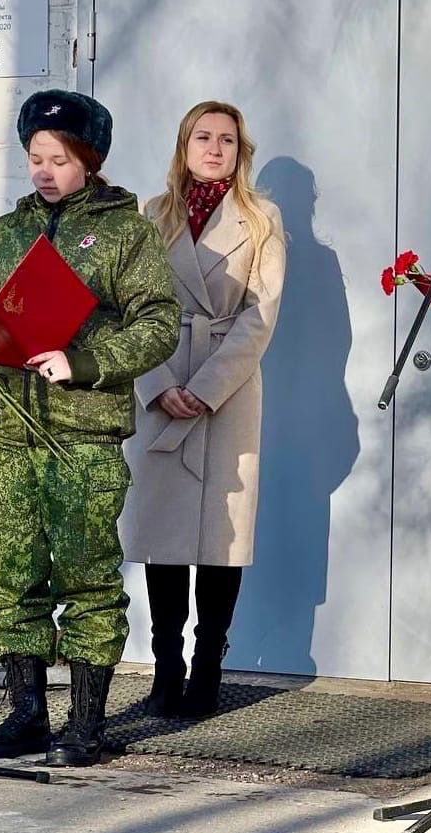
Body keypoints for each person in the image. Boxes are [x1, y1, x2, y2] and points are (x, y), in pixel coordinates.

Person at [0, 89, 180, 768]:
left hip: (82, 434)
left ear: (89, 162)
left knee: (87, 576)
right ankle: (25, 712)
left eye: (59, 159)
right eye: (35, 158)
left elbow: (159, 322)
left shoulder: (127, 232)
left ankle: (87, 722)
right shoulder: (1, 236)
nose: (44, 171)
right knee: (11, 574)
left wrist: (87, 360)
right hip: (8, 432)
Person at [120, 101, 286, 719]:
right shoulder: (149, 215)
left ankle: (208, 671)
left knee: (220, 539)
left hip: (228, 391)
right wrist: (160, 383)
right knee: (164, 538)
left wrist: (207, 387)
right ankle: (166, 671)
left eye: (227, 140)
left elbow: (259, 316)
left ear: (241, 151)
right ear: (183, 144)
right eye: (203, 136)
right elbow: (125, 307)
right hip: (160, 381)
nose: (214, 148)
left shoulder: (261, 219)